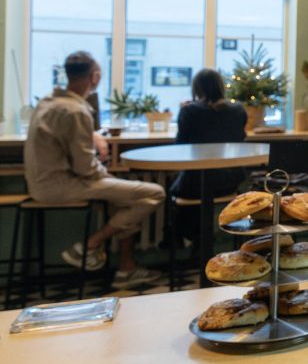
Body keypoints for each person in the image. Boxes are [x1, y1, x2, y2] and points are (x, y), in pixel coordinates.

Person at [25, 51, 165, 288]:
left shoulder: (49, 102)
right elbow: (85, 168)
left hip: (41, 183)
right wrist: (106, 174)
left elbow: (65, 134)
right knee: (154, 193)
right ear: (95, 77)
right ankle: (89, 245)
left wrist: (94, 136)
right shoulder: (78, 111)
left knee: (122, 200)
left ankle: (126, 270)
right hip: (62, 185)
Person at [169, 68, 248, 201]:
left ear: (197, 88)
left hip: (194, 184)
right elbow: (240, 140)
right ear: (220, 86)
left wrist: (186, 110)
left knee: (170, 188)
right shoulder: (238, 110)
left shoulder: (189, 111)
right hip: (229, 182)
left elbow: (180, 147)